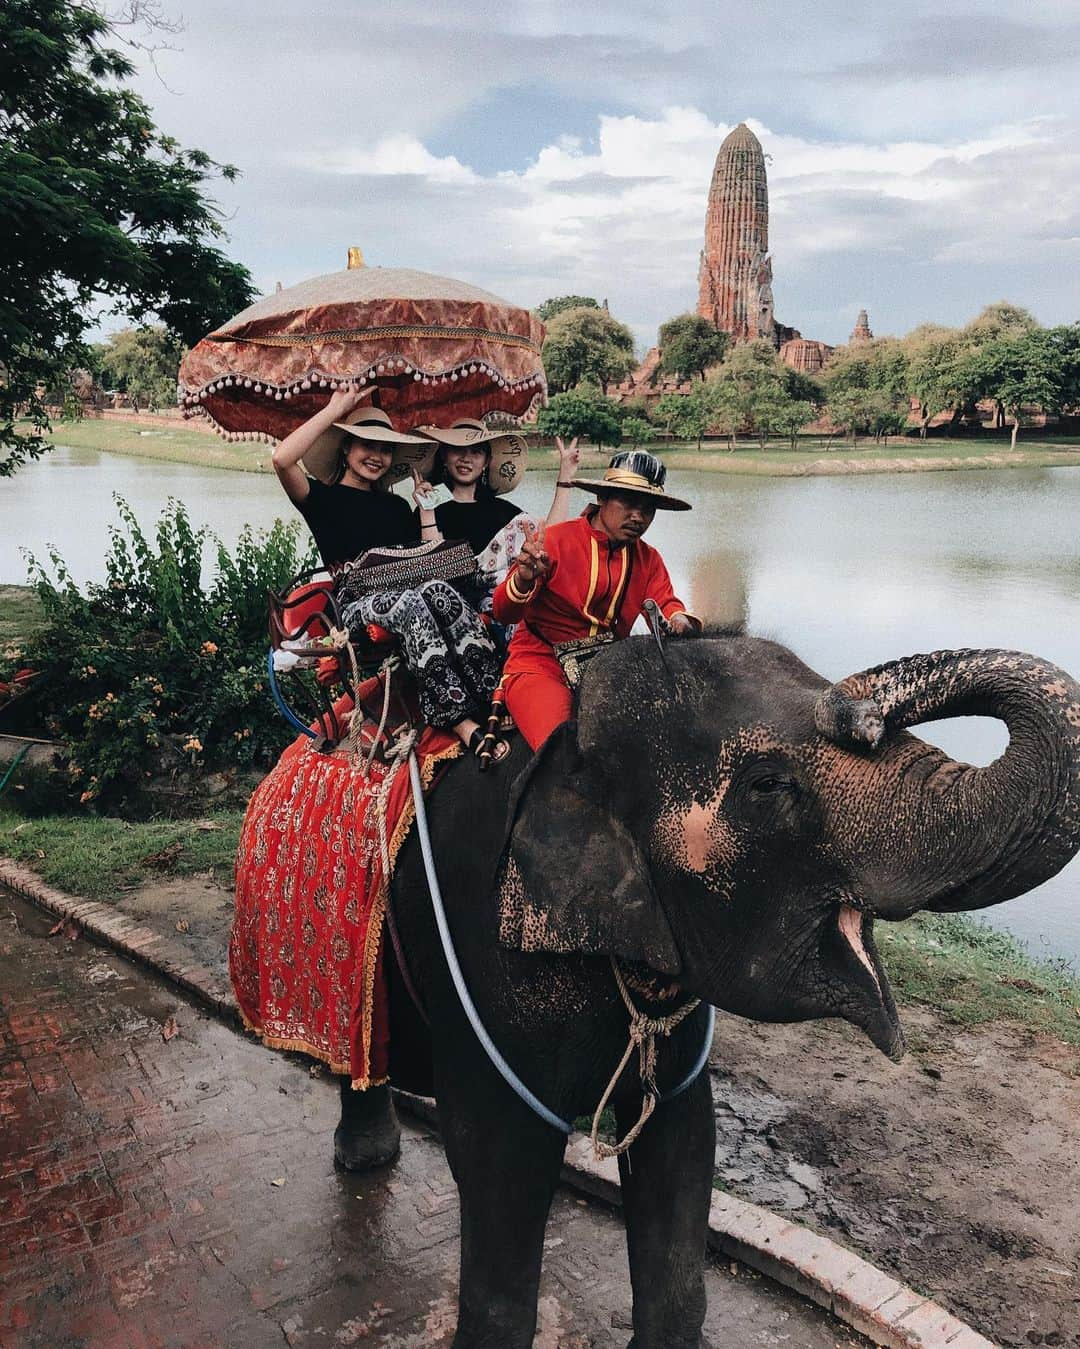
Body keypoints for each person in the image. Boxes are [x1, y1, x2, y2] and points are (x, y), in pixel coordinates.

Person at [271, 390, 504, 759]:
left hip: (407, 586)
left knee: (443, 593)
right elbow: (282, 459)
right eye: (367, 445)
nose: (377, 456)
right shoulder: (322, 500)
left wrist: (426, 509)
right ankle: (457, 719)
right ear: (346, 449)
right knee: (412, 603)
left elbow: (426, 555)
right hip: (356, 603)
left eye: (385, 448)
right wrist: (335, 409)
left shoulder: (396, 506)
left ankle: (492, 694)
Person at [491, 450, 701, 750]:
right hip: (540, 665)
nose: (638, 517)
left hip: (609, 670)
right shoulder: (554, 541)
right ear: (602, 498)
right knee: (566, 753)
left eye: (648, 509)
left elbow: (666, 604)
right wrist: (524, 577)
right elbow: (503, 612)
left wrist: (679, 621)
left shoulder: (648, 558)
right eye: (628, 503)